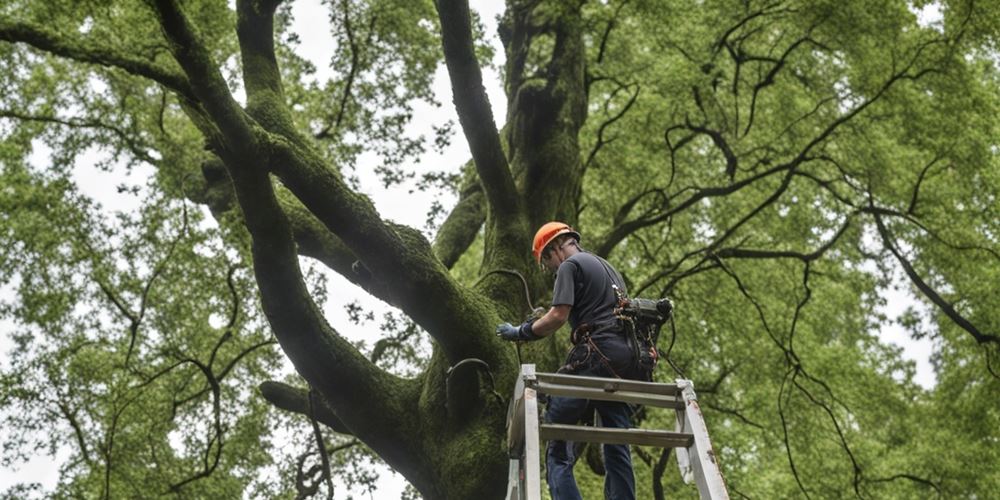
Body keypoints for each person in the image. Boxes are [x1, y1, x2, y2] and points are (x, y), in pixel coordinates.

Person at [496, 221, 638, 500]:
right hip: (627, 362)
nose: (550, 269)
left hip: (597, 358)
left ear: (554, 249)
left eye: (547, 261)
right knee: (616, 440)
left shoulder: (569, 267)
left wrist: (521, 331)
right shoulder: (608, 269)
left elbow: (558, 316)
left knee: (557, 444)